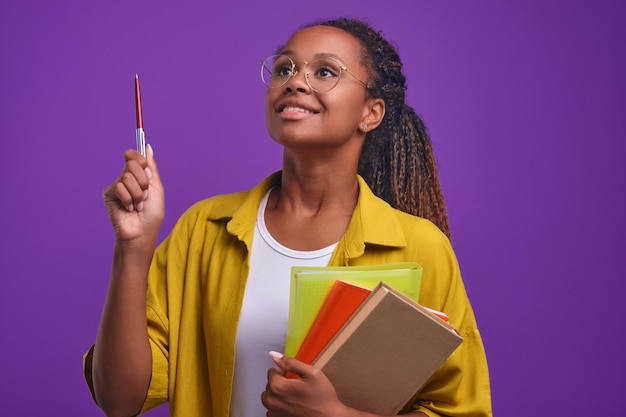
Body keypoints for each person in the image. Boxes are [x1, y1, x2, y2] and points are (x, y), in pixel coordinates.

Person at [84, 17, 492, 417]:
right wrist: (133, 247)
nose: (295, 81)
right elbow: (119, 400)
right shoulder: (203, 229)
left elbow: (459, 410)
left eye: (326, 71)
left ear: (371, 113)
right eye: (284, 68)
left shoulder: (419, 247)